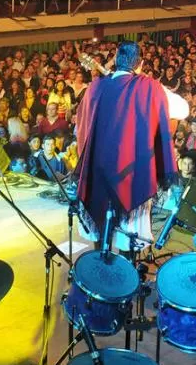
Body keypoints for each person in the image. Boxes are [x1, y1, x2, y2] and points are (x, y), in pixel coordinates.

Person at [75, 41, 189, 252]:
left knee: (99, 228)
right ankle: (126, 277)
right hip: (132, 173)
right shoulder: (149, 87)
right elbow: (184, 109)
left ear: (115, 61)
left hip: (97, 172)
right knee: (129, 237)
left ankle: (99, 272)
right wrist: (156, 85)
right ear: (140, 64)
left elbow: (80, 127)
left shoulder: (95, 87)